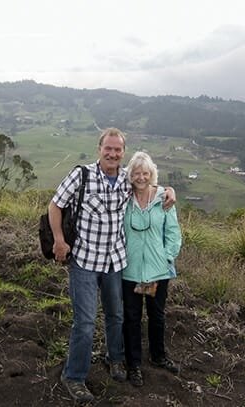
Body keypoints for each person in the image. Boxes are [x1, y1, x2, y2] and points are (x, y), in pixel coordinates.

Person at [48, 128, 175, 403]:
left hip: (115, 262)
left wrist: (169, 191)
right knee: (85, 322)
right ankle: (74, 376)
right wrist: (59, 240)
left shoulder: (127, 179)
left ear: (123, 153)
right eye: (108, 148)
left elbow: (148, 183)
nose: (113, 154)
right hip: (84, 261)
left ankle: (115, 358)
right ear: (99, 149)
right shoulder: (82, 175)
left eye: (118, 150)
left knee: (116, 315)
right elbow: (55, 205)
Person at [122, 151, 182, 387]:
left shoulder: (163, 199)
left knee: (156, 316)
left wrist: (166, 258)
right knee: (132, 318)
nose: (141, 177)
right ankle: (134, 364)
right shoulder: (123, 198)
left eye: (145, 173)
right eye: (136, 173)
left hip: (157, 272)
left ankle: (158, 356)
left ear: (152, 174)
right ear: (130, 175)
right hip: (130, 271)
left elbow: (173, 232)